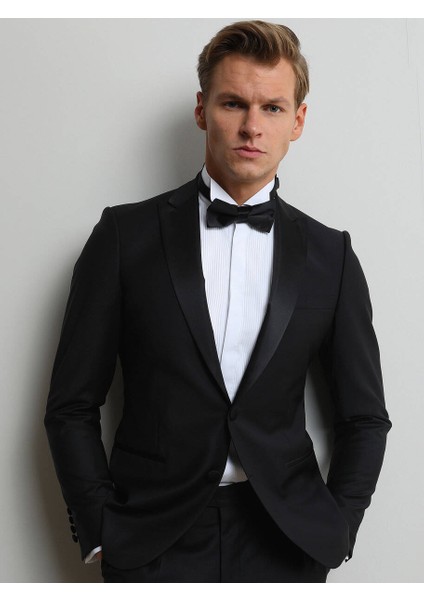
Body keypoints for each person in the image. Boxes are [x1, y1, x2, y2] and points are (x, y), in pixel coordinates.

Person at [45, 20, 391, 583]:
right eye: (234, 103)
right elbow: (71, 405)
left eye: (273, 108)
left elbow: (365, 416)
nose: (252, 127)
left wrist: (339, 527)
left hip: (287, 540)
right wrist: (101, 528)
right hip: (151, 539)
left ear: (298, 121)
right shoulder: (124, 237)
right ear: (203, 110)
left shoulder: (332, 255)